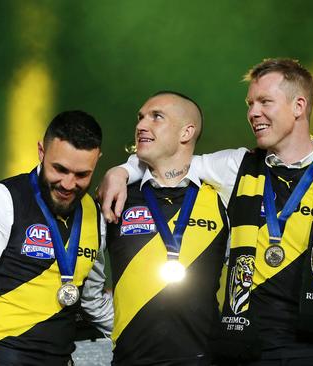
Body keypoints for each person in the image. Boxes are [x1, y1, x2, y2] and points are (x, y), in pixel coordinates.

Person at [100, 58, 313, 365]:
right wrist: (122, 171)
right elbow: (167, 159)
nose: (252, 113)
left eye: (265, 102)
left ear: (299, 106)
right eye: (250, 103)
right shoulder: (235, 166)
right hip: (244, 350)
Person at [0, 111, 113, 366]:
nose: (69, 184)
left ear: (97, 161)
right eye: (60, 169)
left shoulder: (95, 215)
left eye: (82, 175)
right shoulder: (0, 199)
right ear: (41, 151)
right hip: (1, 357)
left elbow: (93, 301)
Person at [106, 91, 228, 365]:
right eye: (140, 118)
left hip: (204, 359)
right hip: (130, 360)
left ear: (187, 132)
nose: (140, 125)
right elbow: (88, 272)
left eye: (156, 117)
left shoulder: (221, 198)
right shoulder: (117, 195)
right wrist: (116, 326)